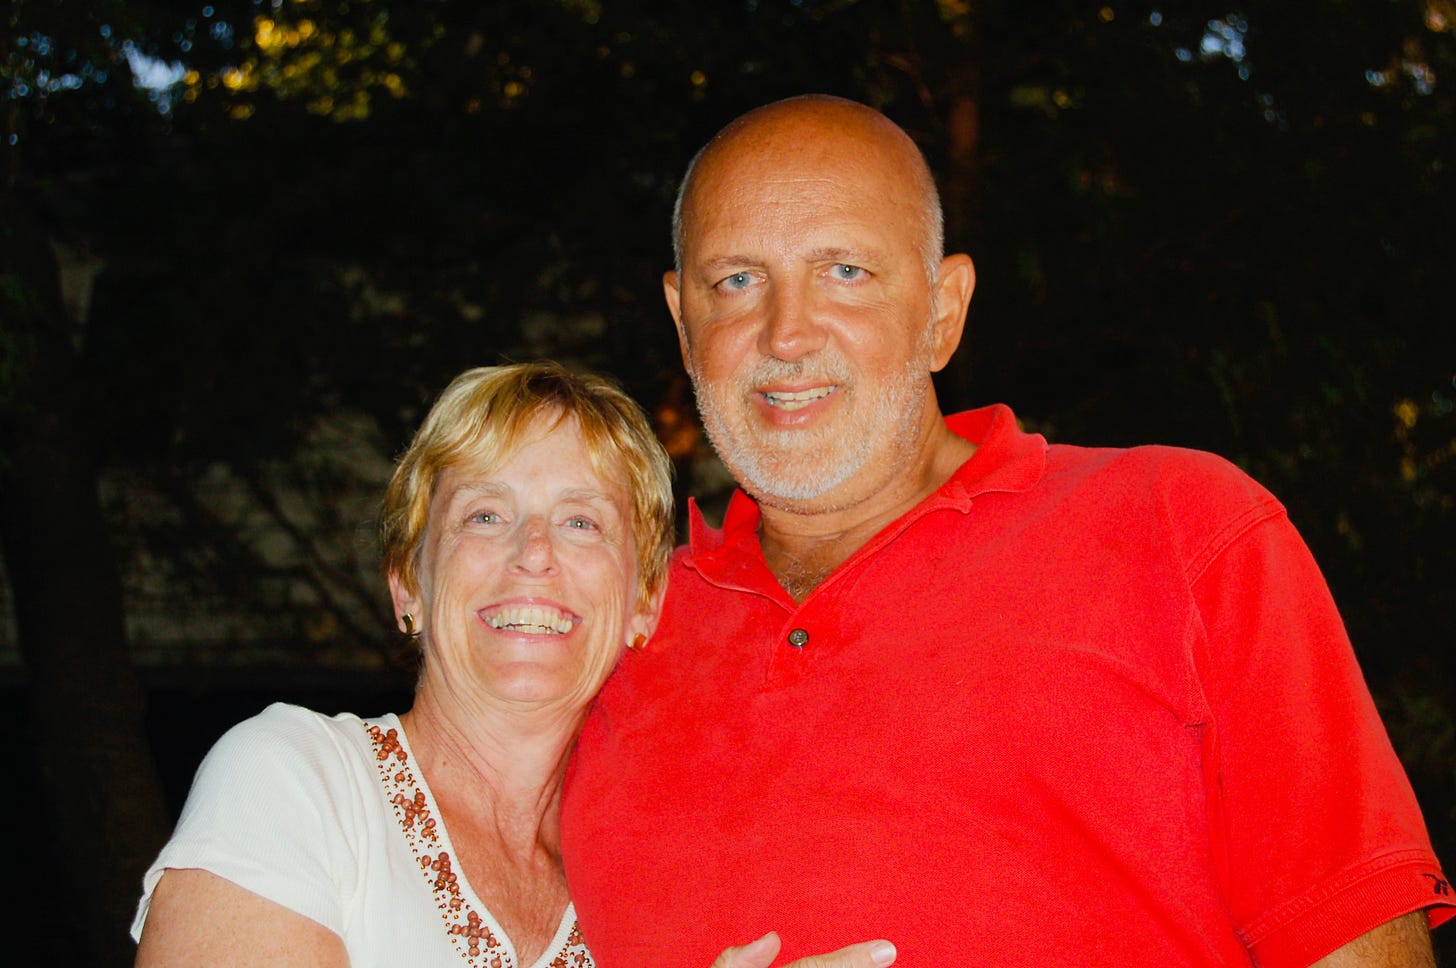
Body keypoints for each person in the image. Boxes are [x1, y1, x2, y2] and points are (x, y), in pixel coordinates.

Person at [560, 96, 1456, 967]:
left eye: (845, 272)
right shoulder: (599, 630)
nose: (786, 333)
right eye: (738, 281)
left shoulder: (1179, 529)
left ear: (943, 309)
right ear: (684, 324)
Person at [131, 362, 897, 968]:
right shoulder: (299, 784)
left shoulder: (642, 880)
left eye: (581, 521)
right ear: (408, 582)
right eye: (485, 516)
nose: (533, 554)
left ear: (644, 603)